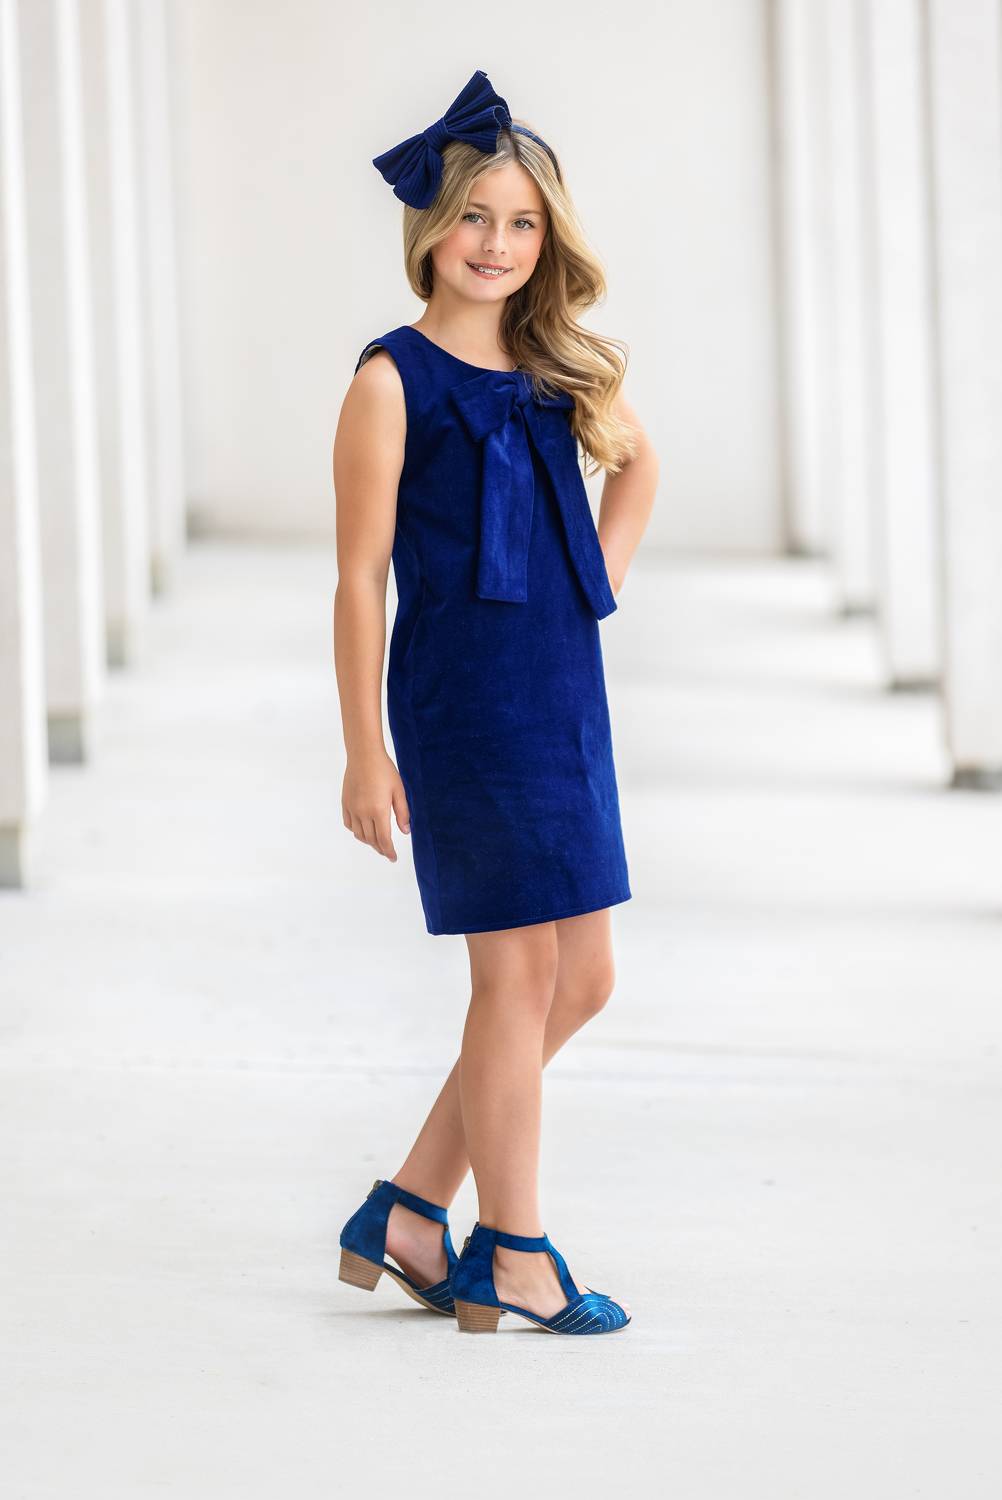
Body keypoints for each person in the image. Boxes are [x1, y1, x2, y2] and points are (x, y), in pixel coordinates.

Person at [331, 69, 658, 1335]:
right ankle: (512, 1251)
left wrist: (594, 583)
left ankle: (412, 1208)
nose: (497, 244)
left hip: (562, 693)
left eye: (522, 223)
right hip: (463, 702)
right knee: (516, 977)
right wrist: (364, 751)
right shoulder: (392, 379)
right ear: (432, 226)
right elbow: (360, 578)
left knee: (585, 977)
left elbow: (639, 467)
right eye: (475, 217)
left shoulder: (556, 366)